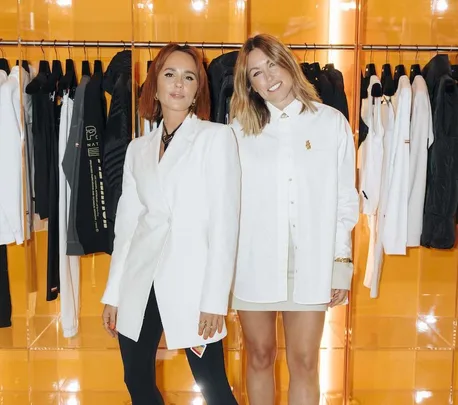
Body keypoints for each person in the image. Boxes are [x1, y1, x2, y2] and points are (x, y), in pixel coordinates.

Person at [101, 43, 241, 405]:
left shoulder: (217, 138)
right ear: (155, 84)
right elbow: (126, 227)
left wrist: (214, 300)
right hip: (139, 280)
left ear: (198, 90)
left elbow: (226, 225)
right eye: (169, 74)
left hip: (192, 286)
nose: (179, 83)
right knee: (136, 381)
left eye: (189, 76)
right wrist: (113, 294)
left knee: (213, 387)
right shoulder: (138, 148)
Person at [229, 34, 359, 405]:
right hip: (253, 263)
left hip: (311, 263)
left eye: (271, 64)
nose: (268, 77)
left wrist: (340, 266)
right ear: (248, 84)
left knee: (304, 361)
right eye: (256, 73)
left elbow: (343, 200)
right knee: (259, 356)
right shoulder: (238, 131)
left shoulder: (331, 123)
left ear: (287, 62)